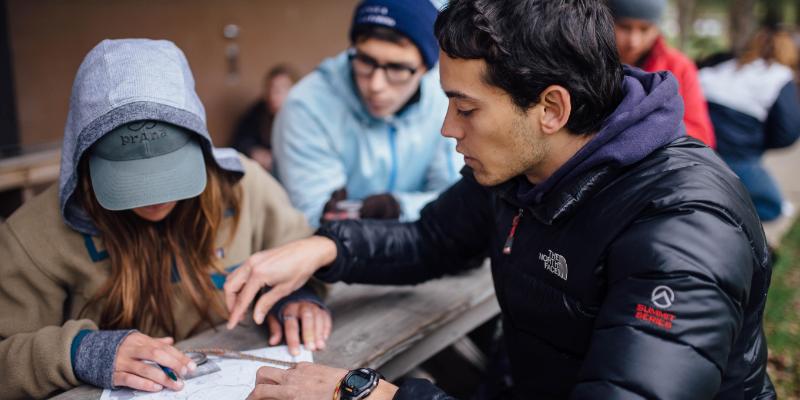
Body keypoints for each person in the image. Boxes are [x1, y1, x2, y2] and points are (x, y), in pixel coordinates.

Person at [226, 0, 776, 399]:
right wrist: (323, 248)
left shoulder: (685, 224)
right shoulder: (526, 165)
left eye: (465, 109)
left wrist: (369, 394)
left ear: (551, 109)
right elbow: (433, 238)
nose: (447, 128)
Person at [0, 39, 331, 399]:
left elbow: (303, 250)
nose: (157, 198)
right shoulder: (32, 235)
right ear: (85, 159)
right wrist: (77, 352)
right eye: (131, 179)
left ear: (199, 143)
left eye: (170, 172)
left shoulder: (244, 187)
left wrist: (294, 295)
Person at [272, 0, 461, 227]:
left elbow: (457, 203)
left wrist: (399, 207)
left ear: (425, 69)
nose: (376, 85)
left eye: (397, 68)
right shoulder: (305, 107)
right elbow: (313, 222)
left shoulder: (443, 99)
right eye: (365, 61)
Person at [699, 27, 800, 222]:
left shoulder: (723, 63)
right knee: (773, 207)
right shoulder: (780, 76)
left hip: (699, 145)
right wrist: (758, 144)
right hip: (738, 157)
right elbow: (788, 132)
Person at [609, 0, 717, 148]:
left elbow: (701, 136)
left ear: (657, 28)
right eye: (625, 27)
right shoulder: (590, 61)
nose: (633, 41)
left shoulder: (679, 67)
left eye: (644, 29)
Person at [231, 64, 299, 173]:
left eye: (279, 91)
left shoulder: (302, 116)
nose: (273, 96)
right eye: (270, 89)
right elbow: (239, 141)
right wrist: (254, 151)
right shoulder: (258, 111)